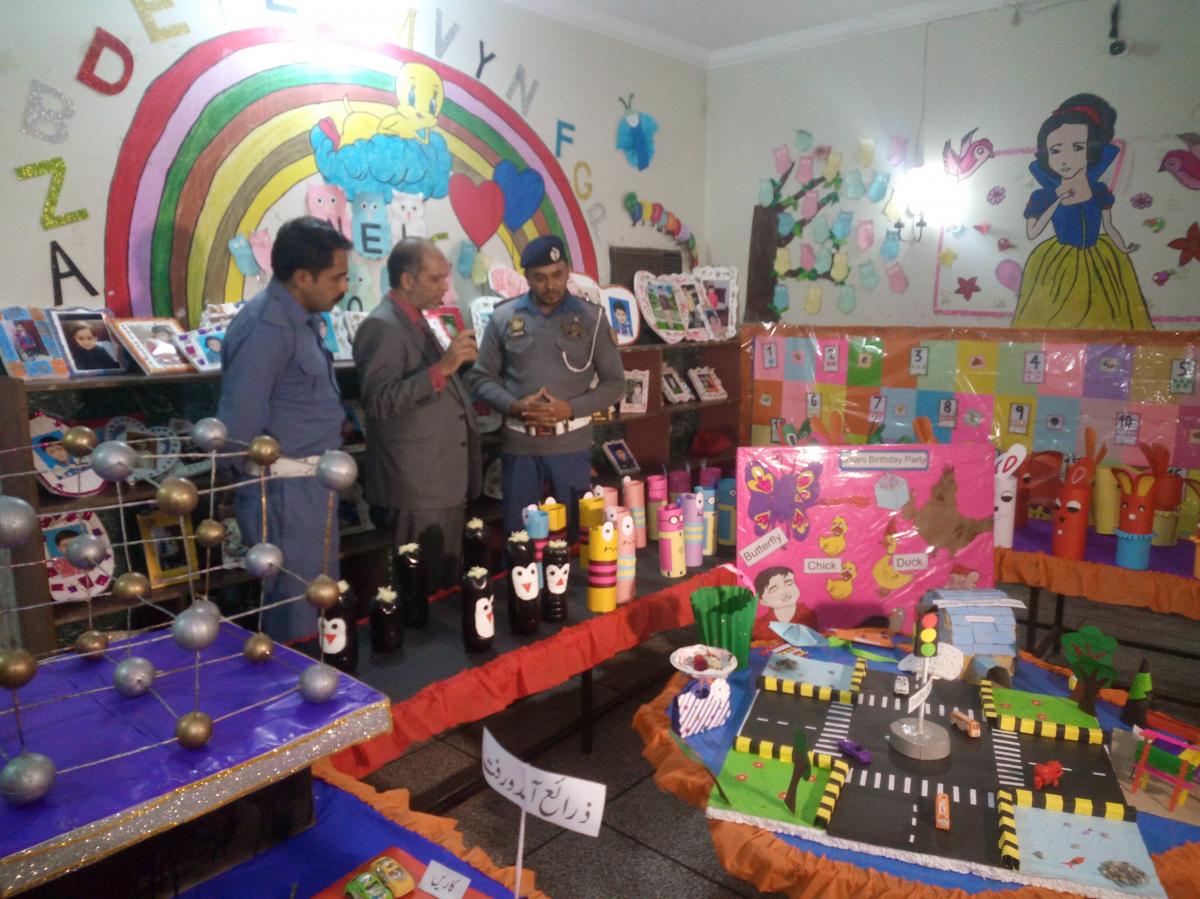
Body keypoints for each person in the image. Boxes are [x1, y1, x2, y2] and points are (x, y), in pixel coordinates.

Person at [217, 216, 351, 641]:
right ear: (302, 277)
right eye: (337, 277)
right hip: (283, 494)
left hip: (311, 487)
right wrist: (253, 491)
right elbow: (237, 426)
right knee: (296, 615)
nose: (344, 286)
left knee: (318, 605)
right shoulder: (266, 327)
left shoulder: (300, 319)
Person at [467, 235, 624, 540]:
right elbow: (481, 378)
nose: (550, 285)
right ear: (526, 276)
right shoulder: (503, 317)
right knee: (520, 538)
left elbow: (616, 383)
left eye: (557, 275)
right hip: (519, 448)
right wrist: (514, 406)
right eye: (540, 277)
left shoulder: (592, 319)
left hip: (572, 447)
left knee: (577, 538)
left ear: (568, 271)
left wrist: (571, 409)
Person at [353, 237, 481, 594]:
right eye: (436, 279)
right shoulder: (381, 326)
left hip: (440, 482)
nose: (445, 287)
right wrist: (444, 367)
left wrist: (459, 367)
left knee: (441, 590)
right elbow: (379, 401)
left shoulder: (420, 321)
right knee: (418, 593)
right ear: (407, 280)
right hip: (414, 489)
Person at [1010, 93, 1151, 330]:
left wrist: (1123, 247)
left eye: (1077, 148)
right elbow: (1033, 232)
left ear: (1091, 151)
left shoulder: (1098, 191)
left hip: (1102, 258)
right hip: (1059, 261)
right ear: (1047, 155)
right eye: (1056, 150)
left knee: (1110, 312)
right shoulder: (1043, 196)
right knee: (1056, 317)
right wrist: (1057, 200)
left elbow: (1109, 225)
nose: (1066, 159)